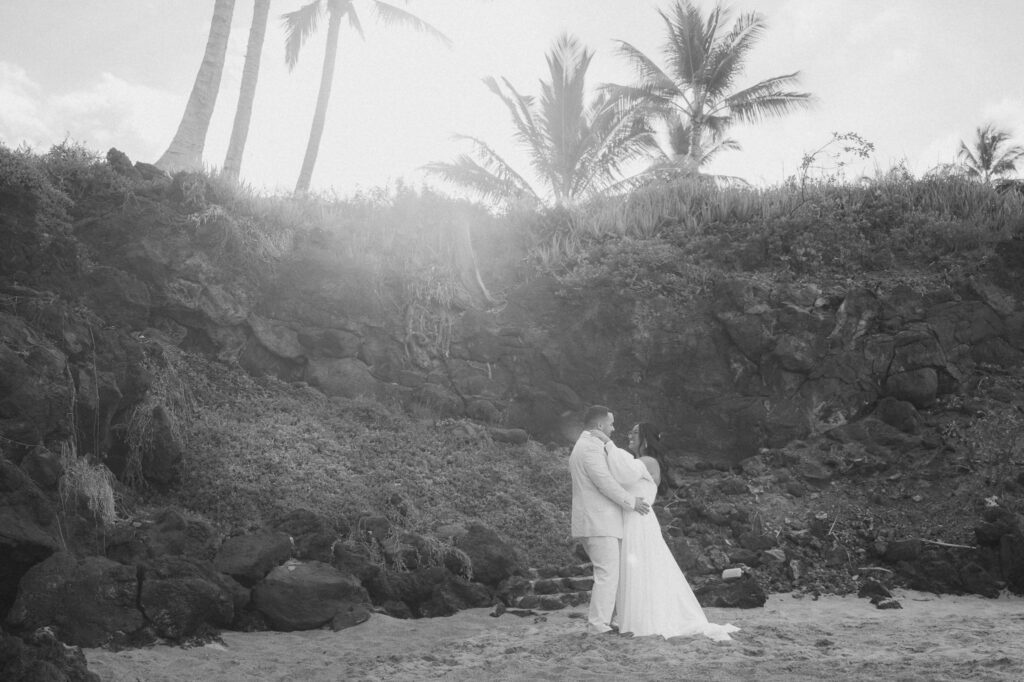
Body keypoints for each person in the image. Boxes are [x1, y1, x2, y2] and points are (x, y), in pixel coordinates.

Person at [606, 422, 739, 641]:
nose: (630, 435)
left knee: (641, 568)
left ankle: (642, 618)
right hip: (633, 519)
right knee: (637, 569)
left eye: (635, 432)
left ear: (646, 439)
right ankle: (630, 615)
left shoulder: (646, 461)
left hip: (638, 521)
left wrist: (607, 445)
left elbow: (621, 474)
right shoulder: (637, 461)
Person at [568, 405, 651, 634]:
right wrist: (631, 501)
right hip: (598, 522)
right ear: (600, 425)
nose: (613, 428)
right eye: (611, 424)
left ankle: (607, 620)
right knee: (607, 573)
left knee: (609, 572)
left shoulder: (587, 445)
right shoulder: (589, 448)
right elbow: (604, 482)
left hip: (599, 522)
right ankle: (598, 624)